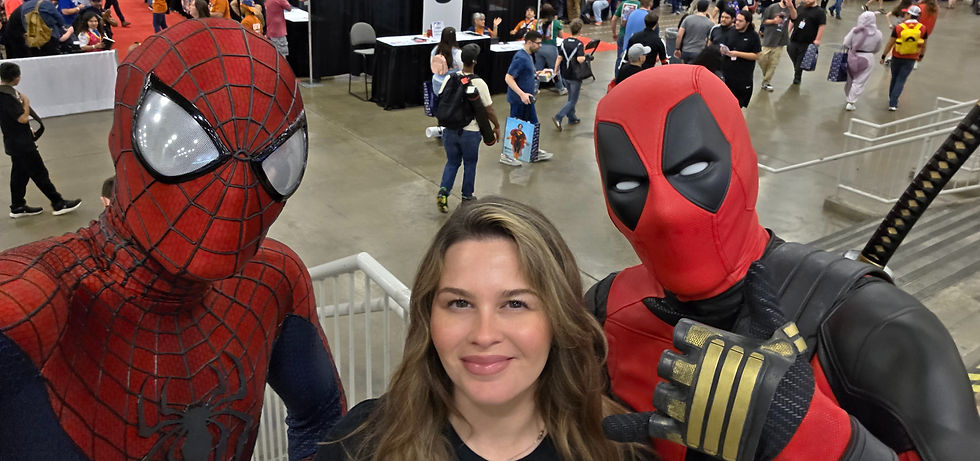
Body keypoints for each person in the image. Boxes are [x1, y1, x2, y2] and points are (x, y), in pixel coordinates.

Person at [589, 63, 980, 461]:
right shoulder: (604, 308)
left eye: (692, 169)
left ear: (741, 158)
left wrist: (823, 439)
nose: (664, 212)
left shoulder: (874, 328)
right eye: (626, 183)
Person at [0, 20, 345, 460]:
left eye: (277, 162)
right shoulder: (33, 303)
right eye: (184, 144)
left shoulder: (273, 280)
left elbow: (323, 419)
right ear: (120, 139)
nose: (233, 192)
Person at [315, 196, 648, 461]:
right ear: (428, 318)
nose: (484, 334)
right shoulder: (358, 445)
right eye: (460, 303)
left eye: (515, 304)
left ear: (557, 319)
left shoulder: (619, 445)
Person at [0, 63, 82, 218]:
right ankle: (58, 203)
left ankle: (17, 206)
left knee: (20, 174)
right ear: (15, 77)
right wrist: (26, 102)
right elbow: (22, 118)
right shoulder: (7, 97)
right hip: (22, 144)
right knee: (39, 173)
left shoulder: (6, 93)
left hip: (14, 141)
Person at [436, 44, 501, 213]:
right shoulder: (479, 82)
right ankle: (466, 197)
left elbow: (441, 97)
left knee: (452, 162)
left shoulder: (451, 78)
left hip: (449, 130)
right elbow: (489, 109)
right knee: (470, 164)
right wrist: (497, 126)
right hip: (470, 132)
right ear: (475, 62)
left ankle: (443, 192)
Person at [503, 30, 554, 165]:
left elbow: (525, 74)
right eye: (538, 43)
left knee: (533, 124)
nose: (540, 46)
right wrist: (522, 94)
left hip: (527, 100)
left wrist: (537, 74)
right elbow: (508, 78)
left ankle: (533, 150)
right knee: (515, 128)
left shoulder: (529, 56)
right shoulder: (520, 58)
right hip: (519, 100)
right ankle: (507, 155)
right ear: (529, 42)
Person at [881, 5, 927, 111]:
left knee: (894, 77)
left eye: (906, 13)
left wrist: (883, 56)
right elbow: (924, 45)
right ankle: (893, 103)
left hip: (897, 56)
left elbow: (890, 43)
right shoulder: (923, 28)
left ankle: (891, 97)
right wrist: (921, 56)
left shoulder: (899, 27)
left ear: (909, 15)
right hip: (911, 58)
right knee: (901, 80)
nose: (904, 15)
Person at [553, 19, 590, 131]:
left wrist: (555, 69)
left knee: (570, 97)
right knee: (573, 100)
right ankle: (558, 117)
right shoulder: (579, 44)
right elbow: (579, 59)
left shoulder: (564, 42)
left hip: (565, 73)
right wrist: (587, 57)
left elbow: (559, 57)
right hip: (575, 75)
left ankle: (572, 117)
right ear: (580, 30)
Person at [842, 11, 882, 110]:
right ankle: (851, 102)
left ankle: (848, 96)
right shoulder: (878, 34)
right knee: (860, 81)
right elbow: (877, 48)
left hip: (853, 55)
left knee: (850, 79)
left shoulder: (855, 30)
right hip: (868, 57)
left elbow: (846, 43)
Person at [720, 10, 761, 108]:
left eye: (740, 21)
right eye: (736, 20)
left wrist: (737, 54)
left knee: (738, 105)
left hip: (743, 77)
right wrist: (723, 51)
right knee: (725, 103)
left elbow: (757, 56)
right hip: (728, 74)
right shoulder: (731, 31)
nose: (737, 23)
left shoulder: (753, 36)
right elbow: (725, 45)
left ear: (747, 23)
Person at [757, 0, 795, 91]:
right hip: (769, 38)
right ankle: (766, 74)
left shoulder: (791, 8)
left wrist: (791, 7)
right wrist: (774, 21)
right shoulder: (772, 7)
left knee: (773, 63)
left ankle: (766, 82)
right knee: (762, 58)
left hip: (780, 41)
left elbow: (794, 18)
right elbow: (764, 21)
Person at [787, 0, 826, 85]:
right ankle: (797, 68)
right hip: (794, 38)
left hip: (807, 42)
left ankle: (797, 77)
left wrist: (818, 39)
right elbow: (793, 20)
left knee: (800, 60)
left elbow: (822, 26)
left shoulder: (820, 12)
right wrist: (787, 31)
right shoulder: (800, 8)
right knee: (791, 53)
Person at [535, 4, 567, 96]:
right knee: (555, 69)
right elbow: (561, 36)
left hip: (539, 48)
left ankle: (534, 88)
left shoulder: (538, 22)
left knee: (538, 69)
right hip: (551, 49)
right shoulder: (556, 23)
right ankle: (560, 88)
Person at [611, 0, 641, 71]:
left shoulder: (623, 4)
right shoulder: (639, 5)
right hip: (633, 36)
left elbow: (613, 19)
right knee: (634, 59)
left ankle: (618, 77)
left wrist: (614, 33)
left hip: (622, 34)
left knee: (620, 58)